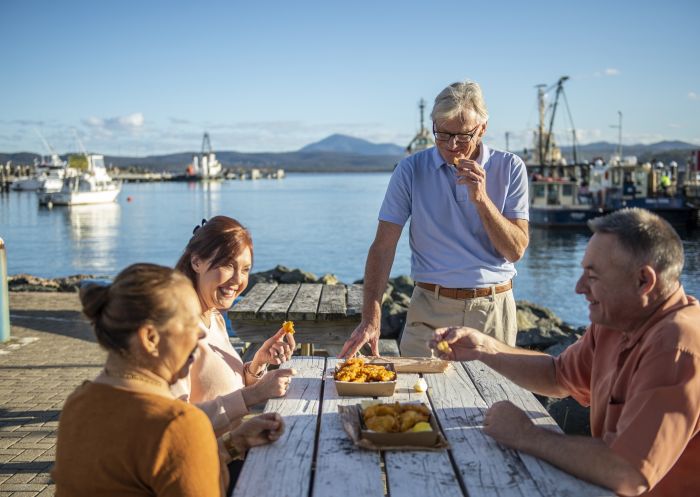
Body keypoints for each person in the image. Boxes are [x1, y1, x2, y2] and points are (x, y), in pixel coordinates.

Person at [431, 208, 700, 496]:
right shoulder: (617, 323)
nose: (578, 288)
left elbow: (630, 471)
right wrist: (485, 348)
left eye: (592, 276)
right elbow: (557, 376)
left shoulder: (677, 344)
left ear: (643, 281)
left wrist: (525, 435)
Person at [52, 263, 285, 497]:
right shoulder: (175, 423)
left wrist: (234, 443)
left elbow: (160, 468)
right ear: (150, 338)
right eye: (188, 323)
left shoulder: (78, 403)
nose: (201, 333)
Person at [339, 79, 529, 358]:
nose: (452, 145)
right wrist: (370, 318)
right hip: (428, 309)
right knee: (417, 398)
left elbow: (515, 250)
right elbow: (383, 246)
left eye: (463, 136)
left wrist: (481, 199)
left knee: (495, 401)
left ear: (483, 129)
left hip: (491, 310)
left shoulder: (510, 167)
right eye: (442, 134)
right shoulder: (410, 170)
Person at [172, 216, 296, 434]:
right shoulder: (176, 330)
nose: (238, 280)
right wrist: (254, 395)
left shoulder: (214, 318)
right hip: (208, 461)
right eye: (228, 265)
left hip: (234, 449)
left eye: (246, 269)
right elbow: (177, 426)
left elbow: (220, 389)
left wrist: (256, 364)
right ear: (196, 262)